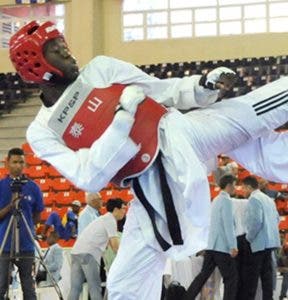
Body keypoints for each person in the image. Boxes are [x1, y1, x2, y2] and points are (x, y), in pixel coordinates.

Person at [9, 21, 288, 299]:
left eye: (64, 45)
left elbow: (161, 90)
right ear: (36, 66)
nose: (69, 53)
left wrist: (202, 87)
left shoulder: (100, 69)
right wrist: (123, 118)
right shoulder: (43, 130)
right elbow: (88, 176)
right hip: (149, 187)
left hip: (180, 131)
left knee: (258, 109)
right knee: (123, 286)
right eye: (56, 51)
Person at [183, 174, 238, 300]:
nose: (235, 189)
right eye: (234, 186)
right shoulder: (227, 201)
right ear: (229, 186)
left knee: (203, 275)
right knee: (231, 278)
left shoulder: (216, 200)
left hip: (211, 245)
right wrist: (233, 245)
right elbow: (228, 225)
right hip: (222, 247)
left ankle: (186, 297)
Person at [0, 148, 44, 300]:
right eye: (15, 162)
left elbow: (37, 215)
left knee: (28, 287)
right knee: (1, 286)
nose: (18, 166)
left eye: (21, 162)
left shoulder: (33, 187)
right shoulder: (1, 186)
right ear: (7, 163)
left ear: (25, 164)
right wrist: (11, 206)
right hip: (4, 244)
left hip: (26, 245)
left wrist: (27, 226)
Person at [68, 198, 126, 300]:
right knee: (95, 287)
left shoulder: (102, 219)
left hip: (76, 252)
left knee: (75, 288)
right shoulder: (111, 220)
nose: (124, 212)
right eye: (123, 208)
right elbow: (115, 247)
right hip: (89, 254)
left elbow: (107, 243)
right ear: (116, 209)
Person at [240, 176, 281, 300]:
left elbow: (256, 221)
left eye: (243, 188)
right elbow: (277, 219)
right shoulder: (269, 199)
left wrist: (249, 238)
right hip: (270, 243)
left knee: (252, 278)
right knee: (267, 277)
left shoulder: (254, 199)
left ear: (248, 187)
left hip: (258, 243)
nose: (242, 191)